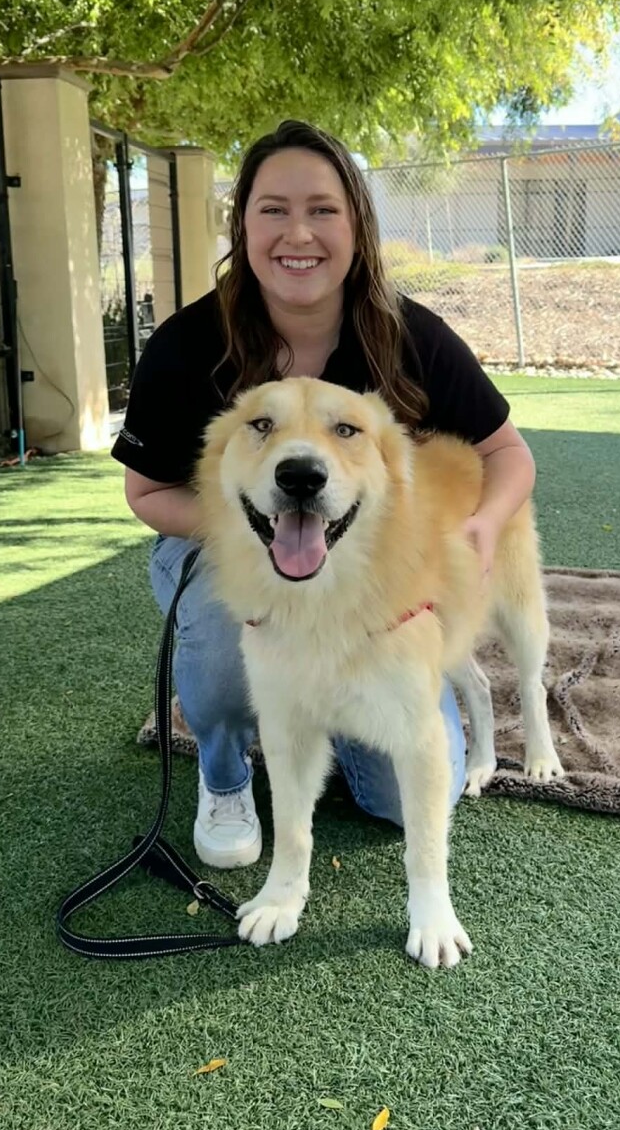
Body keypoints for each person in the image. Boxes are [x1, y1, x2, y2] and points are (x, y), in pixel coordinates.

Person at [113, 119, 537, 869]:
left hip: (368, 566)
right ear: (243, 225)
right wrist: (248, 531)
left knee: (406, 798)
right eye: (273, 209)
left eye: (322, 210)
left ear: (356, 226)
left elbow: (507, 453)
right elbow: (145, 492)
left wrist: (486, 524)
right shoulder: (185, 344)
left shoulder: (410, 333)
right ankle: (225, 767)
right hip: (225, 544)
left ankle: (339, 703)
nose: (298, 233)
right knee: (227, 644)